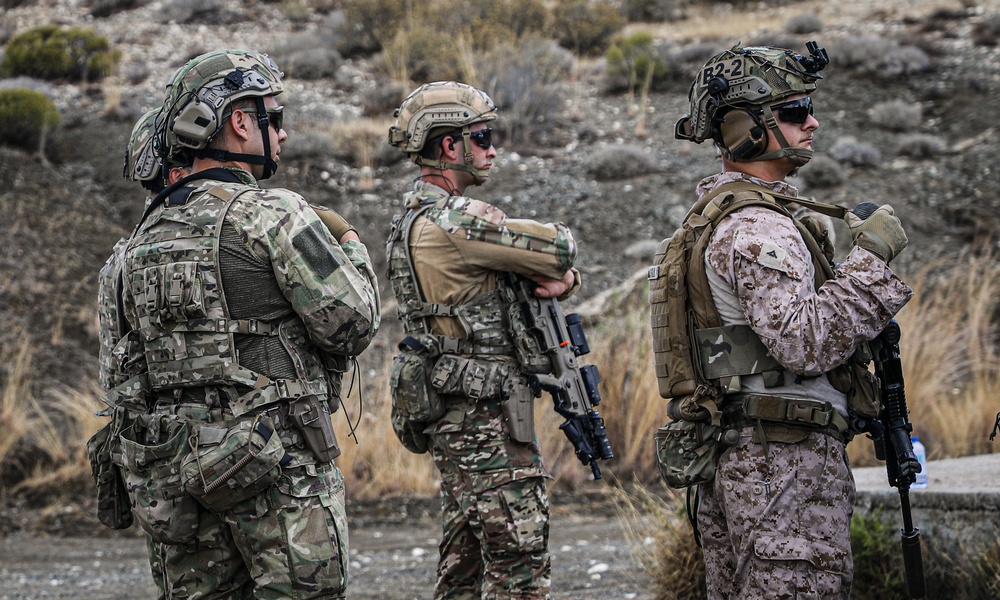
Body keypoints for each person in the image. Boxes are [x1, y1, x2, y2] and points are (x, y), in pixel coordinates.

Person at [111, 49, 380, 599]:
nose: (280, 136)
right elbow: (351, 323)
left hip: (174, 480)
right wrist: (349, 243)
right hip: (277, 474)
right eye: (272, 119)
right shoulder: (273, 214)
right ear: (239, 121)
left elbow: (121, 382)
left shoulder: (130, 250)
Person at [671, 43, 914, 597]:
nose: (813, 122)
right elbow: (804, 344)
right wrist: (870, 262)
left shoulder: (721, 216)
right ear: (745, 128)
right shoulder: (759, 226)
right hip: (780, 465)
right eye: (794, 110)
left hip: (748, 454)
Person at [385, 81, 579, 599]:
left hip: (458, 414)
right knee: (520, 564)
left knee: (464, 566)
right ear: (449, 146)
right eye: (484, 136)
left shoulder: (411, 220)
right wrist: (565, 273)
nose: (494, 149)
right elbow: (559, 248)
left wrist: (562, 281)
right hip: (487, 415)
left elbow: (541, 275)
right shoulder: (457, 221)